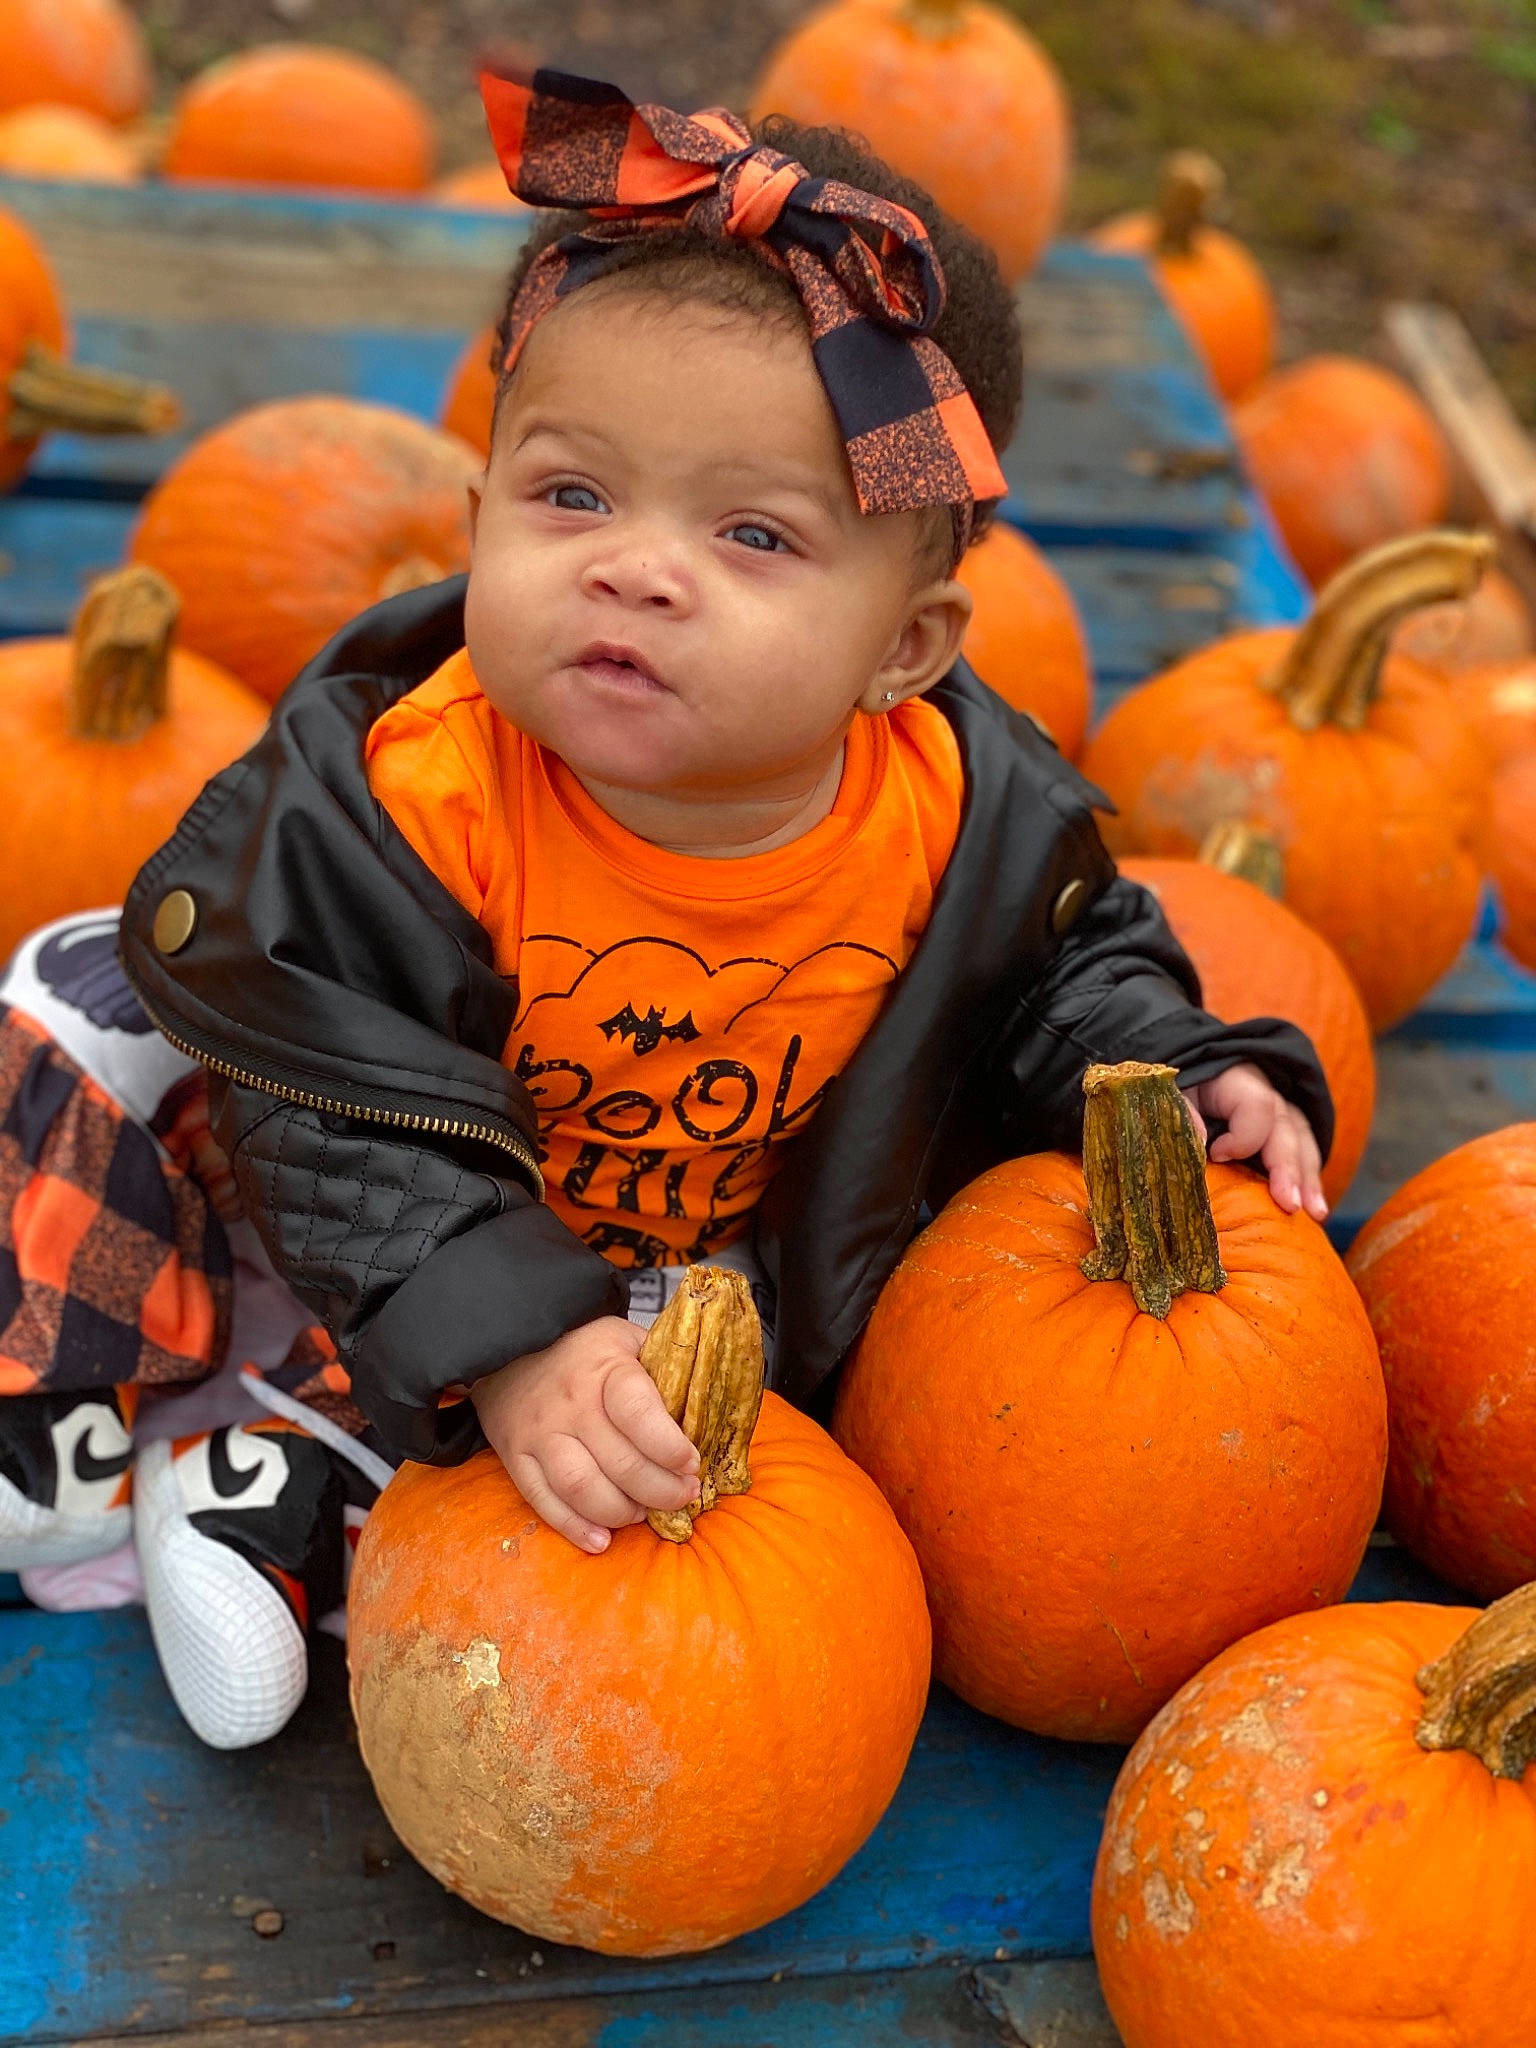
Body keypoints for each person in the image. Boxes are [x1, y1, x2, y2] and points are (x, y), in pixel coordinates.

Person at [18, 67, 1334, 1749]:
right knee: (82, 1011)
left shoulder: (961, 825)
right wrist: (500, 1332)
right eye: (571, 496)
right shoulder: (416, 795)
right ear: (475, 513)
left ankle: (258, 1476)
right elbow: (330, 1109)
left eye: (754, 535)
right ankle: (88, 1395)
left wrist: (1177, 1063)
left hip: (696, 1276)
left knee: (628, 1518)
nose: (636, 567)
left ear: (905, 653)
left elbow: (1063, 978)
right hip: (385, 1225)